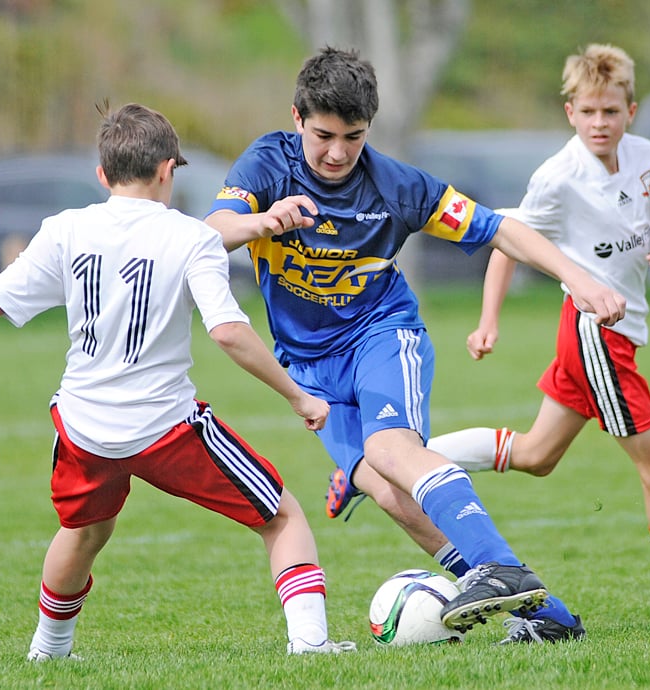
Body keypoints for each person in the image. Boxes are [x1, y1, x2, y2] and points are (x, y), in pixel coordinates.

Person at [206, 46, 628, 643]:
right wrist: (267, 221)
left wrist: (579, 280)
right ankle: (548, 616)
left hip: (381, 334)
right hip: (305, 365)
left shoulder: (396, 187)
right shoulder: (266, 165)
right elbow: (212, 233)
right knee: (385, 491)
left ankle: (499, 568)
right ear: (296, 117)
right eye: (323, 135)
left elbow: (499, 227)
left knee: (390, 453)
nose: (336, 153)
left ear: (368, 129)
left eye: (352, 137)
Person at [0, 102, 356, 659]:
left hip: (82, 428)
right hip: (166, 428)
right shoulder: (192, 238)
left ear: (102, 175)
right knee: (281, 515)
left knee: (84, 532)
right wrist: (299, 396)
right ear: (169, 168)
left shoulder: (66, 229)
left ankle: (47, 652)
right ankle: (311, 644)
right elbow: (229, 332)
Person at [426, 44, 650, 628]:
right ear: (570, 113)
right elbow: (508, 239)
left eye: (610, 111)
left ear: (630, 111)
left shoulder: (647, 157)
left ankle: (401, 462)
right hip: (594, 334)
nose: (599, 123)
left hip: (621, 332)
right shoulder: (558, 178)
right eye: (588, 112)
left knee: (535, 455)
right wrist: (489, 321)